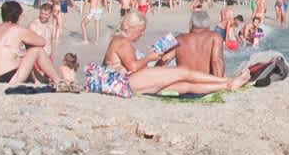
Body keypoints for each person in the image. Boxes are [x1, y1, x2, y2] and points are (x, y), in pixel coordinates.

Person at [107, 15, 251, 96]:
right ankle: (227, 82)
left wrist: (155, 64)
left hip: (128, 83)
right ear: (129, 27)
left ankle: (226, 86)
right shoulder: (122, 41)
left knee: (185, 86)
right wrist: (149, 58)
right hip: (123, 83)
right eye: (140, 30)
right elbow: (132, 66)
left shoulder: (180, 39)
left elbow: (163, 61)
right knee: (183, 72)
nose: (142, 34)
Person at [0, 0, 53, 85]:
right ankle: (57, 80)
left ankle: (39, 80)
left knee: (19, 53)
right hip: (4, 77)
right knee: (36, 50)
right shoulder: (17, 29)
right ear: (18, 16)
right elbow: (42, 42)